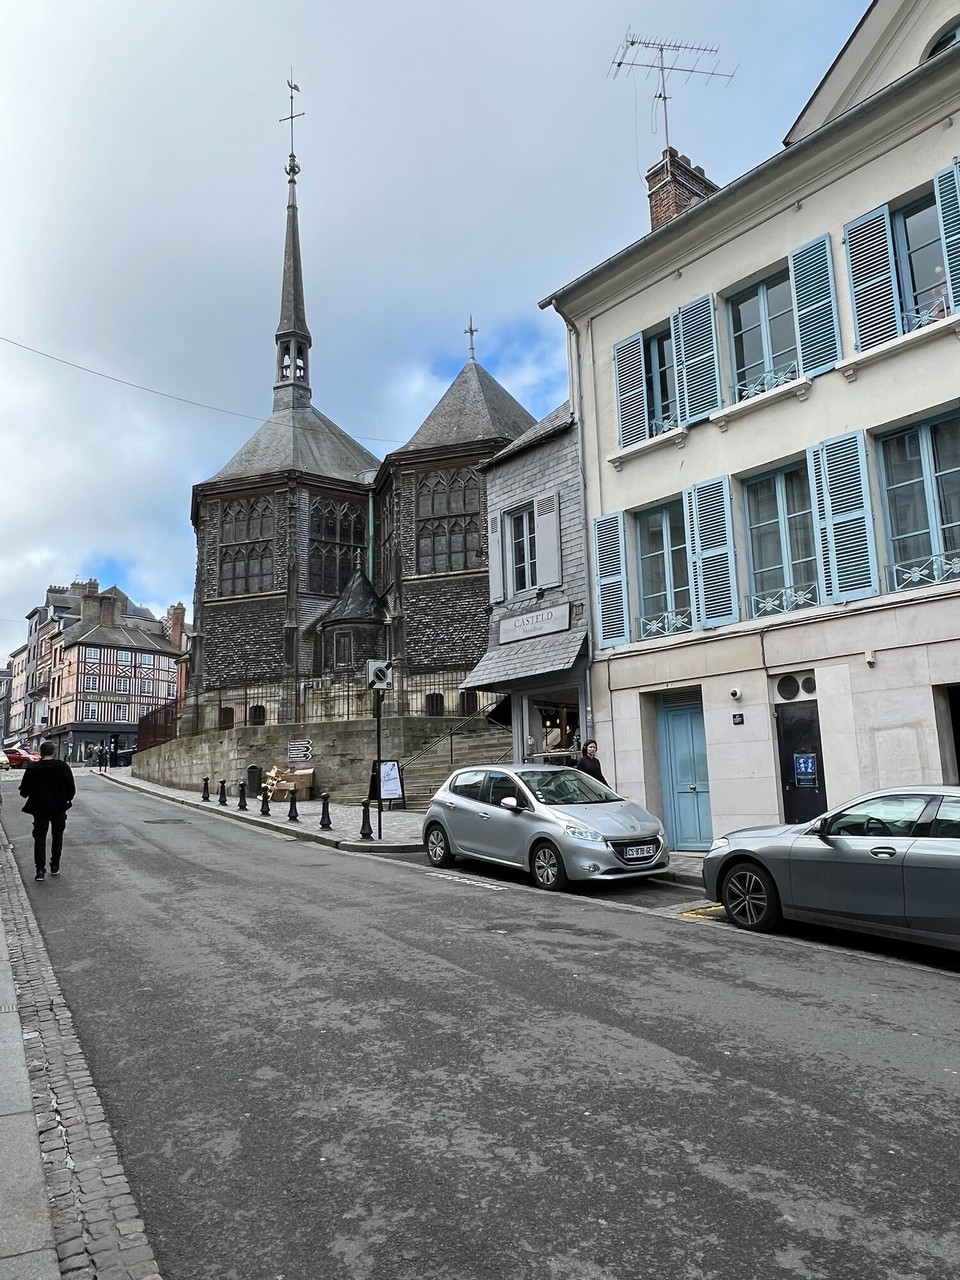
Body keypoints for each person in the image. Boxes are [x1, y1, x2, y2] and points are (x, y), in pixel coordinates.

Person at [19, 743, 76, 881]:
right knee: (57, 836)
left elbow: (24, 792)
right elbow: (71, 789)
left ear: (41, 752)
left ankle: (40, 869)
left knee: (39, 838)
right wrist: (65, 799)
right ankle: (55, 864)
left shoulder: (33, 768)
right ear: (54, 752)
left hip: (39, 809)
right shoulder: (62, 767)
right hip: (58, 808)